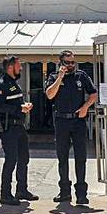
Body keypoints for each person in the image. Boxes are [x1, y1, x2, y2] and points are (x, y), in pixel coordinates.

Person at [44, 49, 98, 205]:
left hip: (78, 121)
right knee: (62, 158)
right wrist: (60, 77)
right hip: (61, 121)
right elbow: (49, 95)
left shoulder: (81, 76)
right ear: (61, 63)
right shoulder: (54, 77)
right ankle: (64, 192)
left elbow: (93, 94)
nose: (71, 65)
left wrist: (86, 107)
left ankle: (81, 194)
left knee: (81, 157)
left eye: (73, 62)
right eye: (67, 62)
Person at [0, 55, 37, 205]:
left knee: (24, 157)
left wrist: (24, 106)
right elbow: (0, 107)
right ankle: (5, 194)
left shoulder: (13, 83)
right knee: (11, 160)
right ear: (10, 67)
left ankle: (22, 190)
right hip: (8, 127)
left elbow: (15, 102)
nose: (21, 68)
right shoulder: (2, 84)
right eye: (19, 65)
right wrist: (19, 108)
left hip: (19, 126)